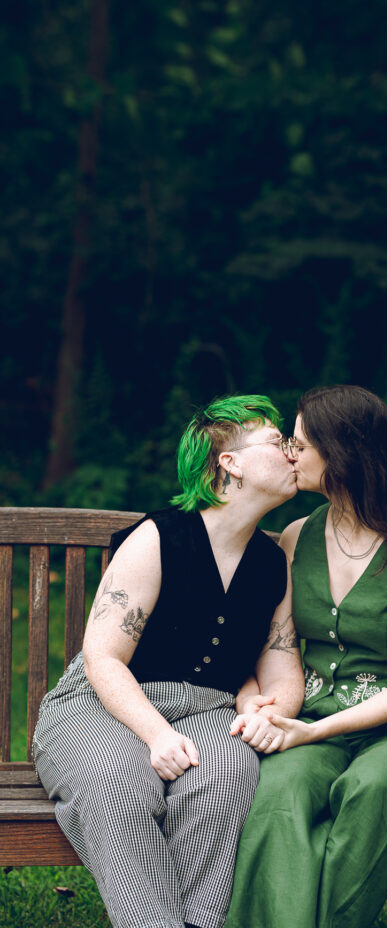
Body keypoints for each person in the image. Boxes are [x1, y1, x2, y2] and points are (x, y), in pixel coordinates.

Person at [32, 395, 305, 928]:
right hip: (103, 703)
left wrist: (267, 713)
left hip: (208, 709)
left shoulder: (272, 563)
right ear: (230, 463)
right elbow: (104, 657)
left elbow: (282, 669)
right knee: (118, 783)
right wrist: (156, 734)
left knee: (227, 778)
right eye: (277, 442)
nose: (292, 452)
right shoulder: (158, 537)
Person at [227, 384, 387, 928]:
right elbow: (275, 646)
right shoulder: (294, 538)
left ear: (341, 455)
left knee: (369, 786)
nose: (289, 453)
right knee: (279, 790)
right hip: (311, 720)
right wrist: (267, 706)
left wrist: (309, 732)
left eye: (301, 444)